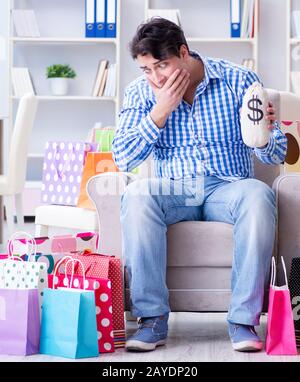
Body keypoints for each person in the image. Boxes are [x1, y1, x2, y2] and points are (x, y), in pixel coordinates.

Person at [111, 17, 287, 353]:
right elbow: (123, 158)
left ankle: (242, 320)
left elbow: (274, 153)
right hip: (175, 190)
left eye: (161, 65)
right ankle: (151, 320)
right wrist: (160, 112)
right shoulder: (140, 92)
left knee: (259, 196)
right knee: (137, 195)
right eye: (147, 69)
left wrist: (264, 132)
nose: (156, 77)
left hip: (229, 186)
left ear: (183, 52)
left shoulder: (239, 80)